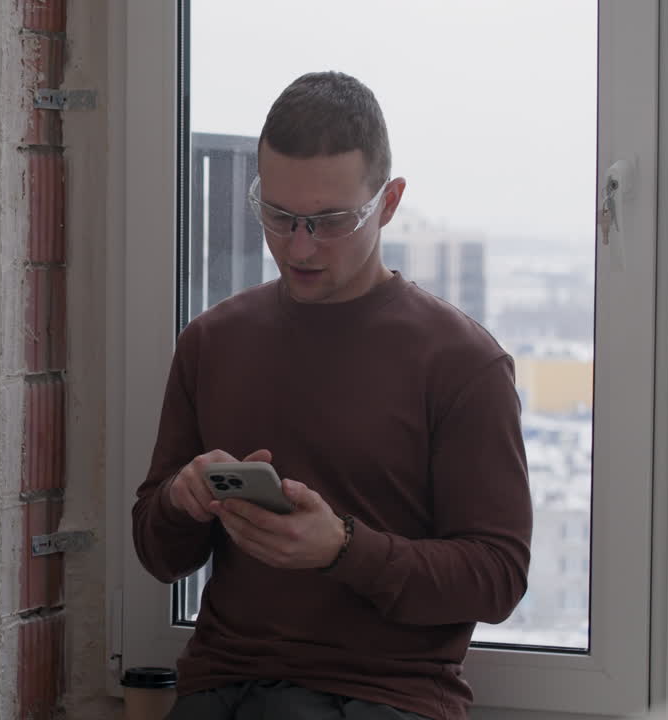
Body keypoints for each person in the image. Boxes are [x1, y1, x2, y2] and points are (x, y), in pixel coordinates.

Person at [132, 71, 532, 720]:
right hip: (223, 688)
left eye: (330, 221)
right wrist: (181, 500)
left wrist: (344, 549)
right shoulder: (212, 342)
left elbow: (498, 577)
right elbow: (159, 556)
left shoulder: (463, 362)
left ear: (390, 202)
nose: (298, 246)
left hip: (383, 696)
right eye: (278, 216)